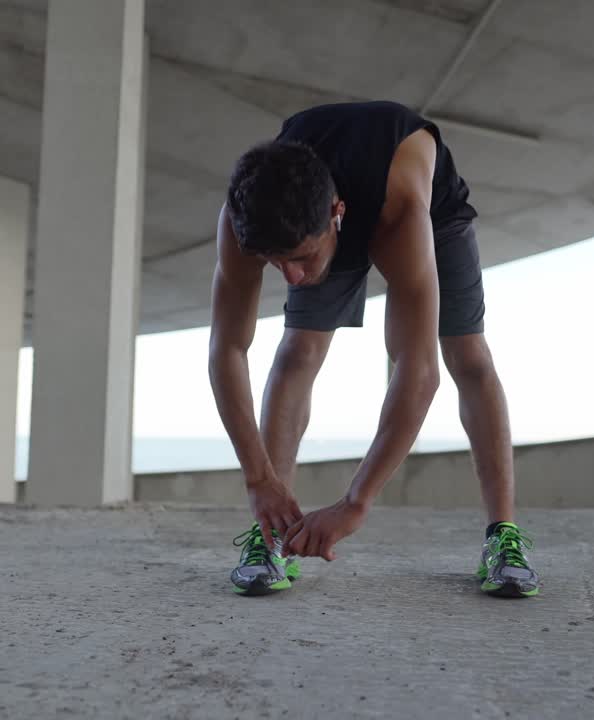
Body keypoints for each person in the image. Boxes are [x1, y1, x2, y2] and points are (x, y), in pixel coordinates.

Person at [209, 100, 539, 598]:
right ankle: (269, 536)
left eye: (299, 259)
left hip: (429, 209)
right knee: (298, 351)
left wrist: (355, 502)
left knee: (467, 356)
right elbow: (228, 349)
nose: (293, 278)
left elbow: (418, 368)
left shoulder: (400, 213)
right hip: (311, 216)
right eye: (276, 263)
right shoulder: (244, 221)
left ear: (335, 215)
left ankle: (504, 537)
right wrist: (258, 478)